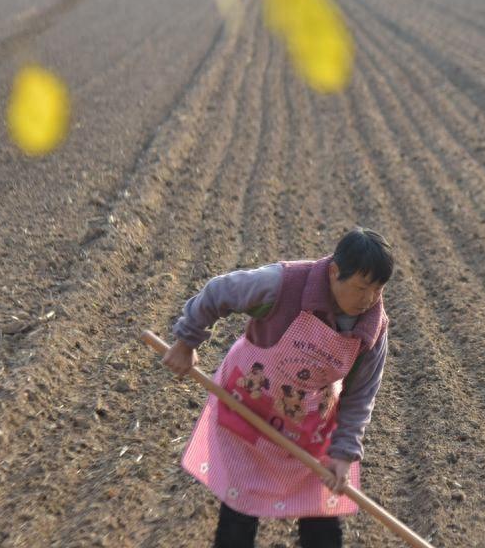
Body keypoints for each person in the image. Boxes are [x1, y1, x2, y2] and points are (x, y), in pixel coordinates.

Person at [161, 227, 394, 548]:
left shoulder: (371, 327)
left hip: (309, 419)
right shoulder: (283, 284)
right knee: (240, 510)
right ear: (334, 272)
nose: (368, 299)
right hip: (249, 405)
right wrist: (187, 341)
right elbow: (218, 292)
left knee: (322, 517)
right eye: (361, 287)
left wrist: (343, 452)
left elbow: (361, 394)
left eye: (378, 290)